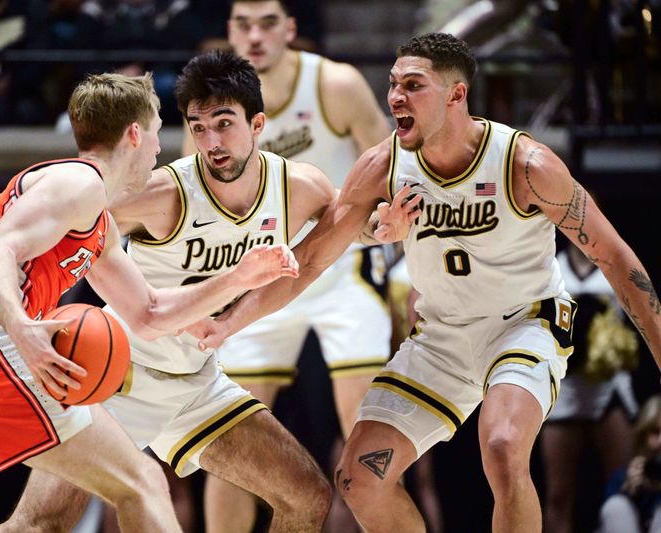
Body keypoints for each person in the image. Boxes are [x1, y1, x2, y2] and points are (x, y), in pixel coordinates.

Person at [192, 32, 661, 532]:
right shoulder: (383, 165)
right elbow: (308, 261)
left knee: (502, 448)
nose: (395, 97)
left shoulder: (525, 165)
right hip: (441, 337)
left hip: (524, 325)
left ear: (456, 95)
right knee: (358, 480)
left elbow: (615, 258)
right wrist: (228, 322)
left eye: (413, 86)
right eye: (393, 85)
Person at [0, 72, 299, 533]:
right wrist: (21, 328)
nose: (158, 148)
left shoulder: (93, 215)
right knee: (143, 481)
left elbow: (149, 312)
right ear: (134, 133)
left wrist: (237, 278)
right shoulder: (81, 182)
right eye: (155, 132)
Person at [182, 2, 393, 528]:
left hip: (343, 267)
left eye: (268, 22)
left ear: (291, 29)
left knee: (369, 447)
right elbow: (192, 202)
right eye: (243, 24)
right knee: (230, 453)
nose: (255, 35)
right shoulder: (209, 106)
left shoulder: (336, 85)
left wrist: (408, 267)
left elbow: (396, 169)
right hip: (262, 274)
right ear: (228, 31)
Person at [541, 243, 639, 533]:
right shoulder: (552, 266)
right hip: (565, 388)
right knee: (558, 493)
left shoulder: (613, 264)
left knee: (623, 486)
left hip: (608, 387)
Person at [599, 395, 661, 533]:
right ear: (643, 435)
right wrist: (631, 489)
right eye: (655, 432)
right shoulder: (625, 476)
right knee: (616, 506)